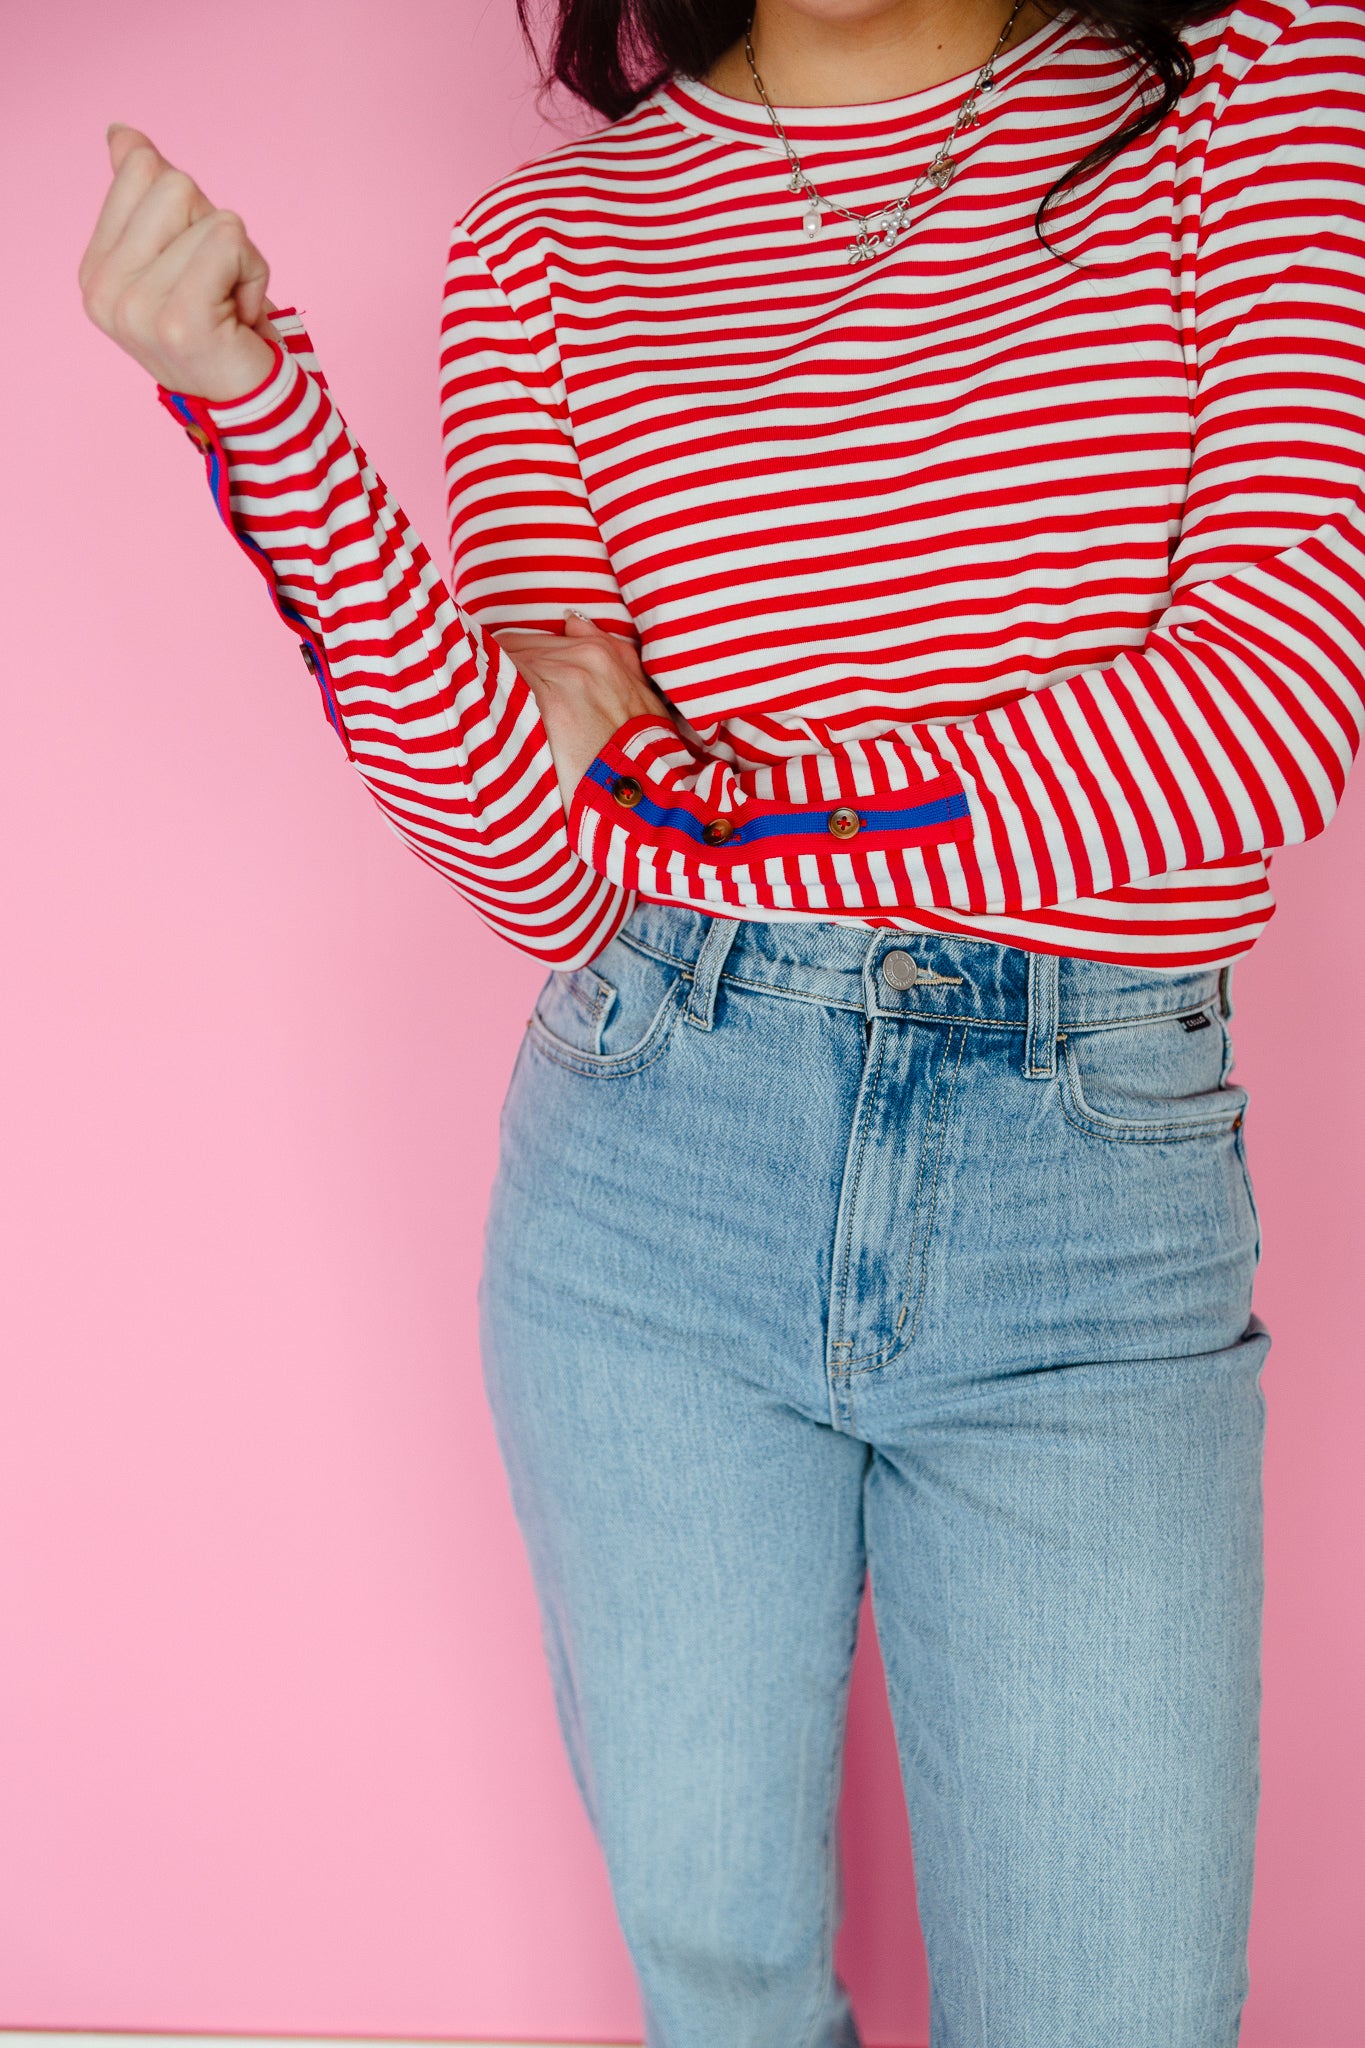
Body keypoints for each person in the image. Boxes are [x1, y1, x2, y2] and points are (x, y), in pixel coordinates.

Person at [78, 0, 1365, 2037]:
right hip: (658, 1152)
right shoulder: (545, 246)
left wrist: (703, 801)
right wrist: (256, 406)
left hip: (1087, 1190)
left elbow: (1260, 716)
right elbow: (543, 862)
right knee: (724, 1982)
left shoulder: (1253, 85)